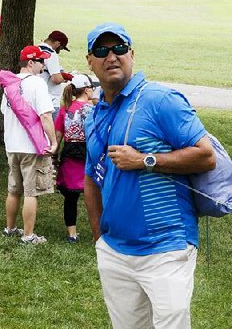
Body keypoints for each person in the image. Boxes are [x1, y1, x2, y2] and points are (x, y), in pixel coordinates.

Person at [83, 23, 215, 329]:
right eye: (101, 50)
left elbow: (206, 155)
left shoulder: (159, 99)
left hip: (166, 246)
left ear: (132, 54)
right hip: (115, 251)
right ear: (90, 61)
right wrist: (99, 238)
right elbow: (90, 177)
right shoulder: (94, 116)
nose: (111, 56)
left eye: (119, 48)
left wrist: (145, 160)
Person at [0, 45, 57, 245]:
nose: (44, 65)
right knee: (31, 192)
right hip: (32, 147)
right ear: (31, 63)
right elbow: (45, 115)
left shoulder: (10, 84)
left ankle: (10, 228)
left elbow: (3, 112)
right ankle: (28, 235)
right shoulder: (37, 84)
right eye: (41, 61)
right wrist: (54, 141)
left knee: (14, 189)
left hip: (12, 145)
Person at [53, 73, 95, 243]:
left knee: (71, 198)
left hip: (70, 156)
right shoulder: (94, 109)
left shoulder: (65, 109)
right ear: (86, 90)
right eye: (92, 88)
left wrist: (54, 157)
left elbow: (57, 136)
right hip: (90, 155)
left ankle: (72, 234)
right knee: (95, 197)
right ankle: (97, 234)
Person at [39, 30, 70, 116]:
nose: (60, 50)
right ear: (57, 43)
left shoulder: (37, 49)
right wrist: (65, 77)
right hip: (50, 100)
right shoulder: (51, 54)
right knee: (53, 129)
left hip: (38, 97)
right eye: (61, 47)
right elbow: (56, 79)